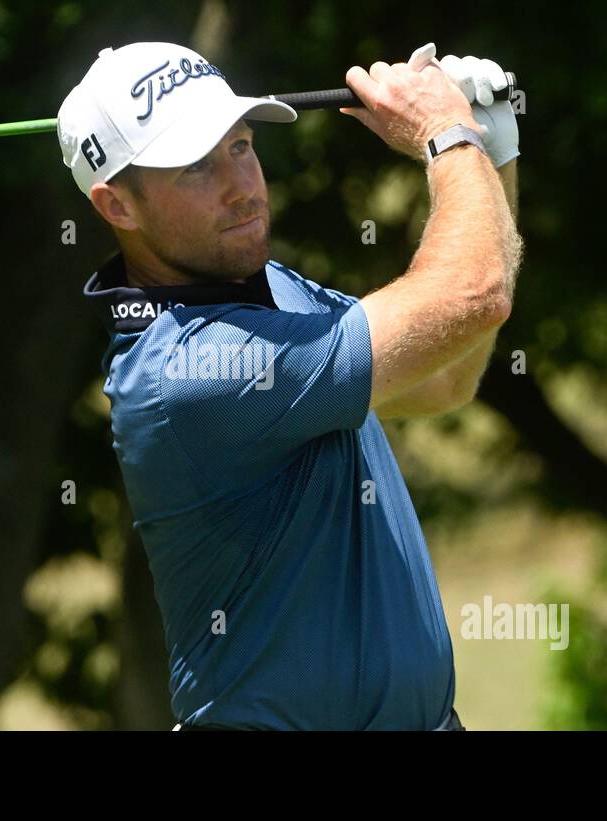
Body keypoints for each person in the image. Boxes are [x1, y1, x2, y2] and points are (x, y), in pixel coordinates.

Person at [57, 41, 521, 730]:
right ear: (117, 205)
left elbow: (446, 374)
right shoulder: (189, 371)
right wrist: (448, 137)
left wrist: (492, 153)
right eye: (194, 167)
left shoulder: (265, 289)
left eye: (241, 146)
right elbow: (475, 293)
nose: (240, 184)